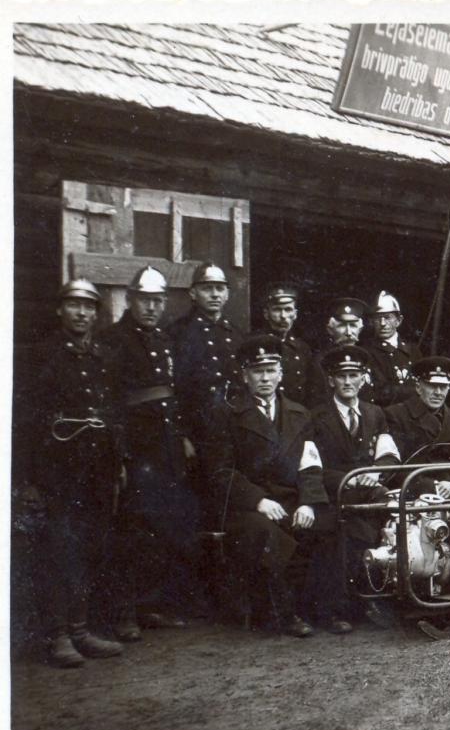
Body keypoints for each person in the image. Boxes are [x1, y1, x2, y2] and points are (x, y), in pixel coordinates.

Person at [96, 266, 203, 642]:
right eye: (145, 300)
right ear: (130, 300)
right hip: (136, 450)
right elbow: (109, 403)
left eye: (158, 301)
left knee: (161, 529)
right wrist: (119, 455)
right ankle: (123, 613)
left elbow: (173, 397)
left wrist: (183, 437)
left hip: (166, 449)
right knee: (131, 532)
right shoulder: (111, 339)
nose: (152, 308)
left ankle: (150, 605)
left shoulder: (164, 339)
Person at [205, 335, 333, 638]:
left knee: (329, 523)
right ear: (244, 375)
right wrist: (258, 500)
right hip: (245, 505)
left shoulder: (300, 414)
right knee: (264, 532)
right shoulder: (227, 414)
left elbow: (310, 464)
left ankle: (327, 609)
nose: (265, 378)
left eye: (271, 370)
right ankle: (282, 613)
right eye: (257, 371)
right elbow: (220, 471)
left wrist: (309, 502)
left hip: (290, 498)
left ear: (281, 373)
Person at [26, 279, 124, 666]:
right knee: (56, 549)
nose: (81, 314)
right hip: (56, 469)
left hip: (97, 467)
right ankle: (57, 635)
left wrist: (117, 465)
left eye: (88, 308)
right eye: (74, 306)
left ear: (96, 315)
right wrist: (29, 479)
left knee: (87, 547)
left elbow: (116, 413)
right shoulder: (41, 354)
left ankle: (81, 630)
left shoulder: (105, 356)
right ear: (59, 310)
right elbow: (25, 420)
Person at [309, 345, 401, 631]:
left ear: (363, 378)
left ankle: (388, 594)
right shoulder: (317, 417)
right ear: (331, 381)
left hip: (369, 489)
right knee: (348, 530)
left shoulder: (375, 413)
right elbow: (313, 464)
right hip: (335, 492)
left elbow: (389, 453)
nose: (348, 382)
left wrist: (376, 472)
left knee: (396, 515)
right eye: (341, 376)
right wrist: (345, 479)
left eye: (354, 375)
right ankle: (340, 607)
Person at [169, 262, 244, 441]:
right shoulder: (177, 333)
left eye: (220, 288)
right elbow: (172, 388)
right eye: (207, 288)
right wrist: (181, 435)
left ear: (227, 294)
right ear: (193, 293)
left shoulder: (237, 335)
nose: (215, 294)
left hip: (234, 426)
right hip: (196, 429)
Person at [384, 357, 450, 498]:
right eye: (432, 386)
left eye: (443, 387)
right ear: (418, 387)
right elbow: (395, 466)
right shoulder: (396, 415)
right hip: (414, 494)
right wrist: (432, 487)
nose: (438, 392)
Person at [363, 291, 423, 407]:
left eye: (388, 317)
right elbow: (379, 393)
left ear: (398, 320)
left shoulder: (412, 350)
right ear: (371, 322)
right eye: (377, 319)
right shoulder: (366, 353)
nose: (382, 323)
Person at [307, 297, 369, 406]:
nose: (349, 332)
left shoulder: (368, 357)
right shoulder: (320, 361)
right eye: (342, 325)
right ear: (330, 329)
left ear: (360, 329)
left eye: (353, 325)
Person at [258, 282, 312, 404]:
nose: (283, 316)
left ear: (295, 314)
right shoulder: (255, 344)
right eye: (277, 310)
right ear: (266, 314)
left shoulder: (302, 349)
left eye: (288, 310)